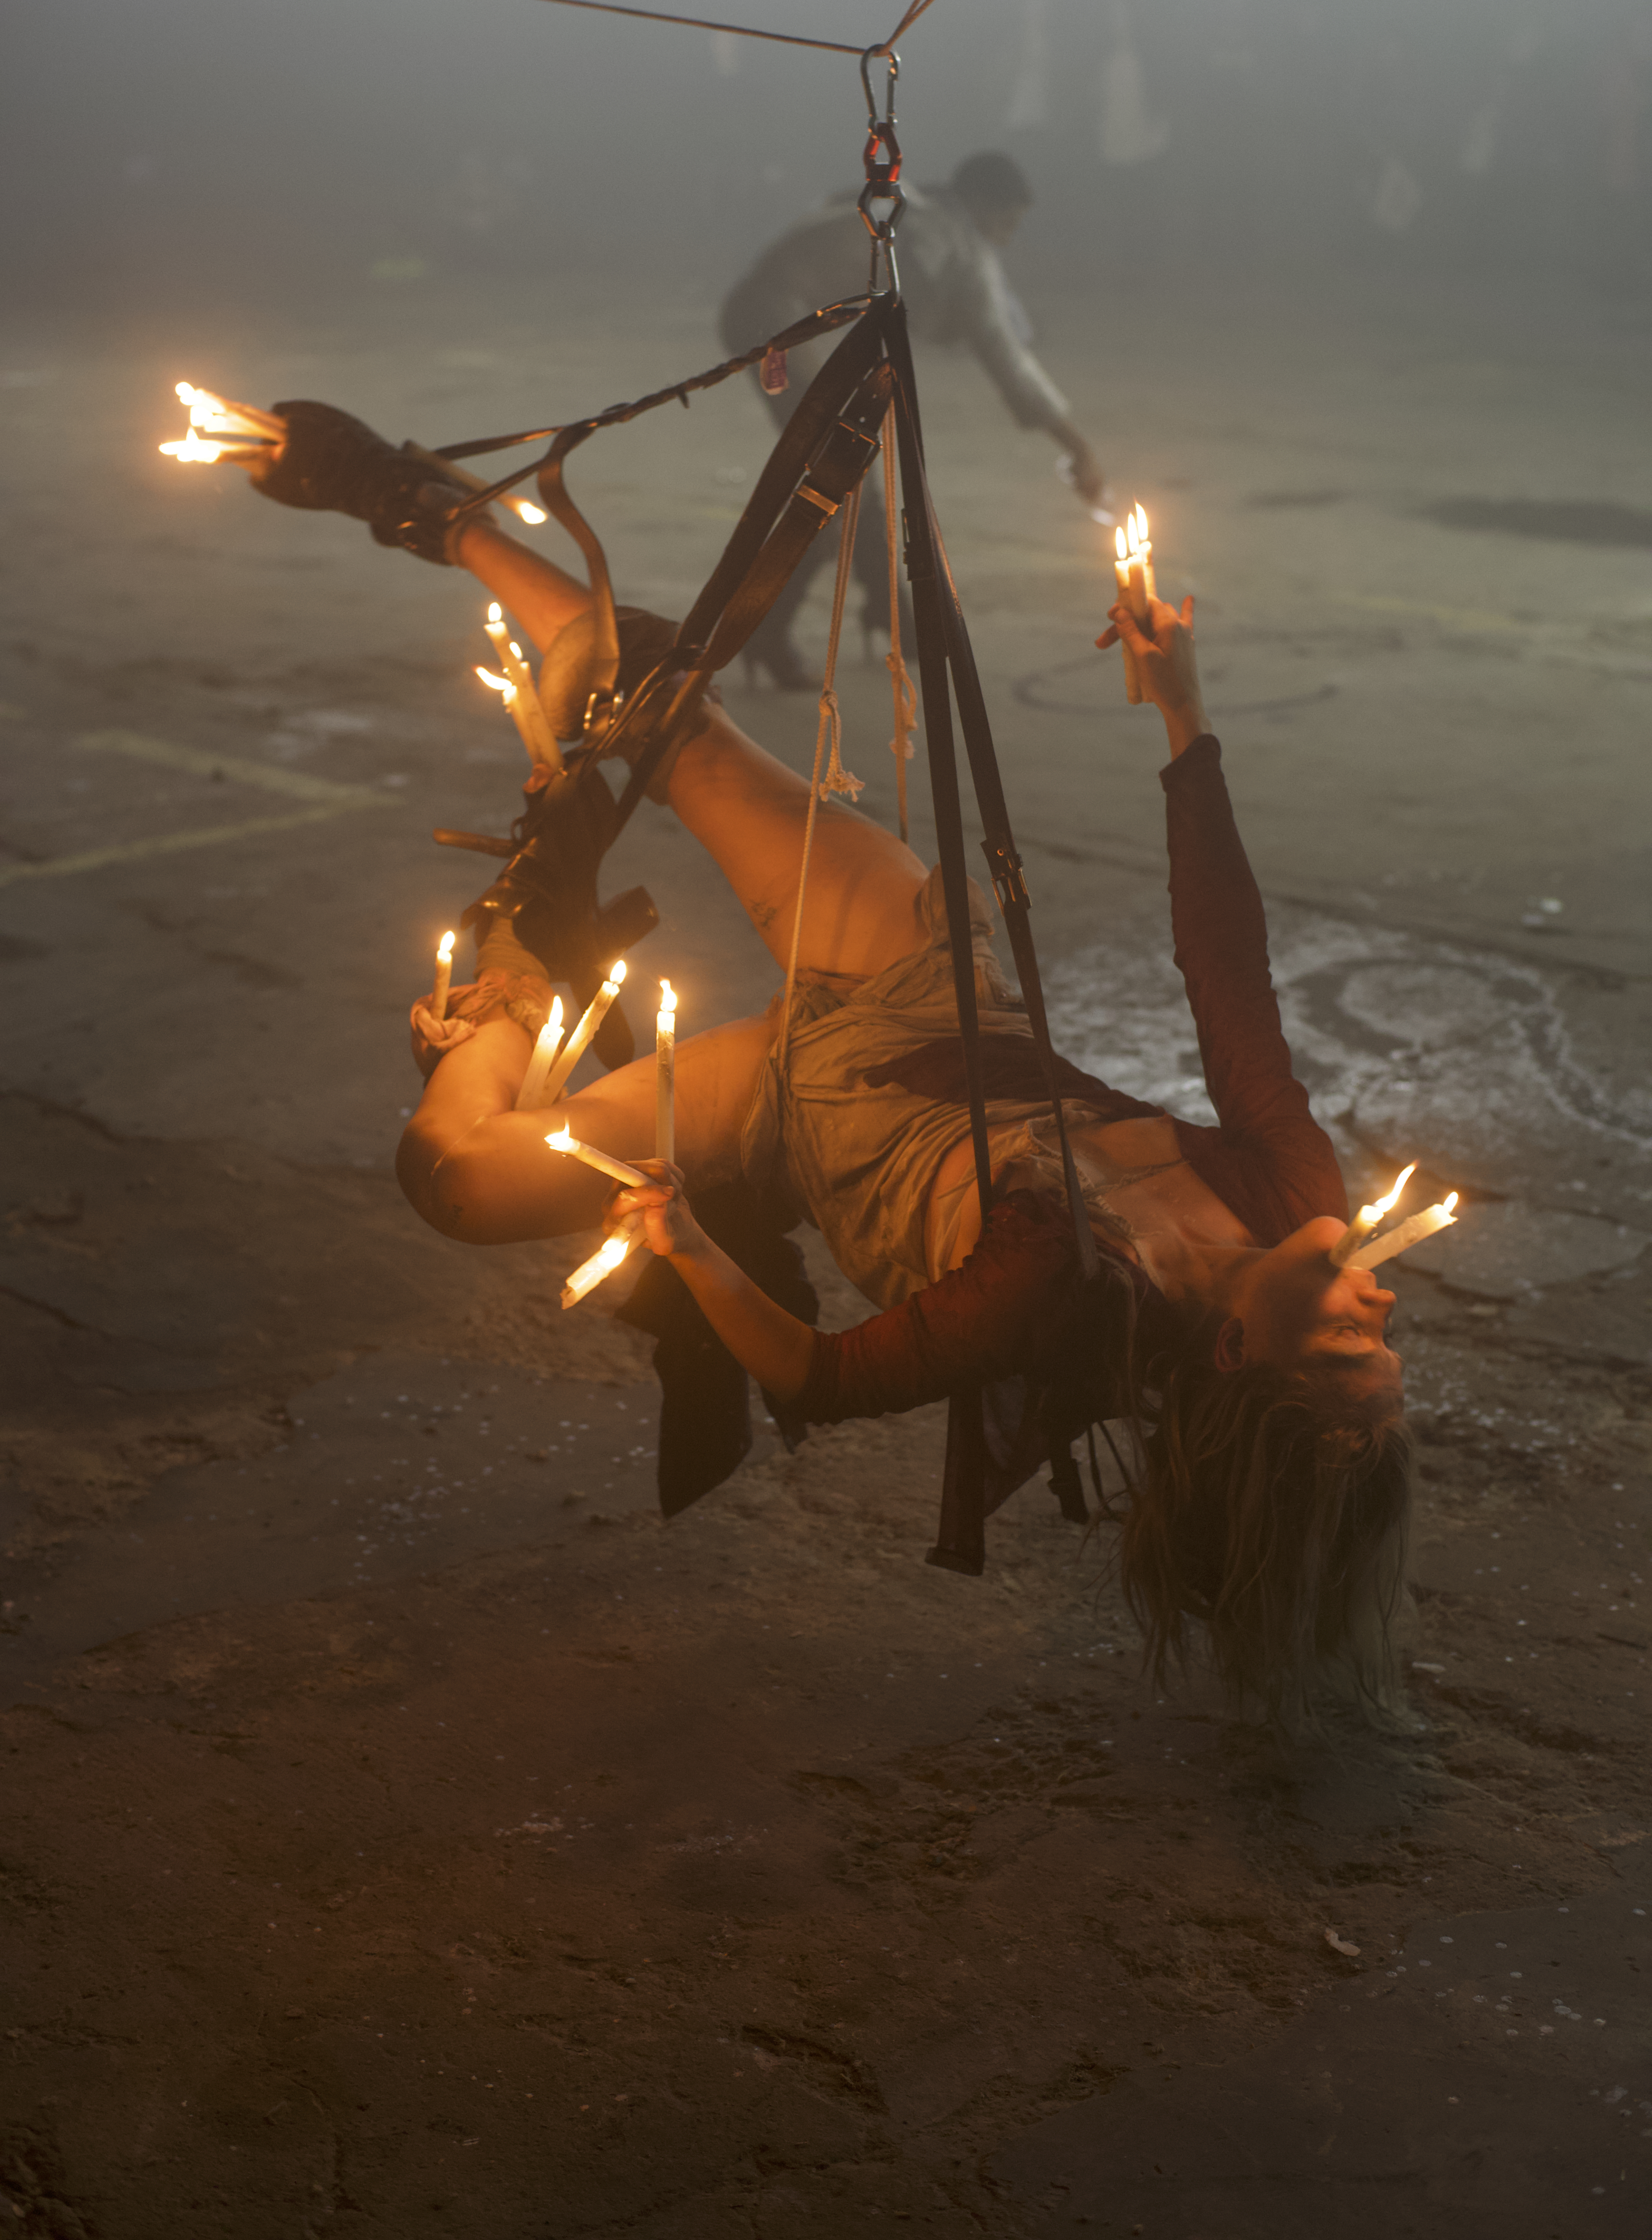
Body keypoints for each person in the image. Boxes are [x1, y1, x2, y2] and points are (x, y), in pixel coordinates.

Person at [244, 400, 1408, 1730]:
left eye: (1345, 1354)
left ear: (1235, 1348)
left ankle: (516, 978)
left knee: (452, 1172)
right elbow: (1227, 976)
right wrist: (1182, 714)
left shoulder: (1061, 1297)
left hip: (792, 1118)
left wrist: (683, 1241)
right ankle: (424, 508)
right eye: (1385, 1347)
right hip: (911, 981)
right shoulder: (1292, 1186)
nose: (1379, 1315)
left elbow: (819, 1378)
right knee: (656, 708)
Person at [719, 150, 1109, 686]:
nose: (1008, 238)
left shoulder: (904, 201)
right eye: (1007, 223)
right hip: (783, 338)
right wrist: (1078, 448)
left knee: (846, 482)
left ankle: (886, 610)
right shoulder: (950, 242)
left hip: (760, 322)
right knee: (834, 490)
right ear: (981, 206)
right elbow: (1002, 357)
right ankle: (772, 629)